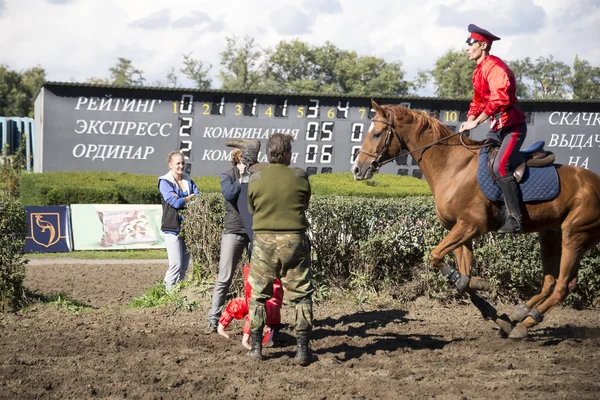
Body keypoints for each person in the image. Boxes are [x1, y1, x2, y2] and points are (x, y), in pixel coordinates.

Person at [246, 132, 314, 366]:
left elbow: (252, 208)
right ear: (287, 154)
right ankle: (302, 350)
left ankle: (256, 348)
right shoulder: (300, 176)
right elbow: (305, 203)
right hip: (294, 241)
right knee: (302, 294)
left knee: (258, 295)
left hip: (263, 241)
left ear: (268, 154)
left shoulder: (255, 178)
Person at [459, 23, 527, 233]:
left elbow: (500, 98)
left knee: (499, 166)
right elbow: (478, 101)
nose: (467, 48)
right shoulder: (479, 71)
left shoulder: (495, 67)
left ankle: (516, 219)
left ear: (483, 45)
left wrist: (476, 122)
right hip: (497, 128)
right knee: (480, 160)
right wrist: (469, 120)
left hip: (512, 127)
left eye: (470, 43)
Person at [206, 139, 261, 333]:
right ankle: (213, 319)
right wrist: (241, 180)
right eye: (243, 162)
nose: (246, 165)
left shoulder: (256, 175)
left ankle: (256, 321)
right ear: (236, 162)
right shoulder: (227, 176)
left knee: (257, 280)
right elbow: (229, 195)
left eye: (248, 162)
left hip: (254, 230)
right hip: (234, 230)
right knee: (224, 277)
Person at [158, 151, 200, 289]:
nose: (181, 166)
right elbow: (174, 203)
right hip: (172, 227)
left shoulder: (188, 180)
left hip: (188, 227)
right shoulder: (165, 182)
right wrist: (188, 198)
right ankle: (166, 293)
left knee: (184, 266)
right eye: (178, 163)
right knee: (175, 265)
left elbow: (198, 197)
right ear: (170, 165)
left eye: (183, 163)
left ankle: (178, 293)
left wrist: (182, 198)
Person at [217, 264, 284, 349]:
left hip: (259, 274)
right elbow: (252, 312)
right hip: (265, 277)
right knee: (255, 307)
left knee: (252, 305)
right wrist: (245, 341)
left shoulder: (271, 313)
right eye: (266, 331)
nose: (266, 331)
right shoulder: (270, 312)